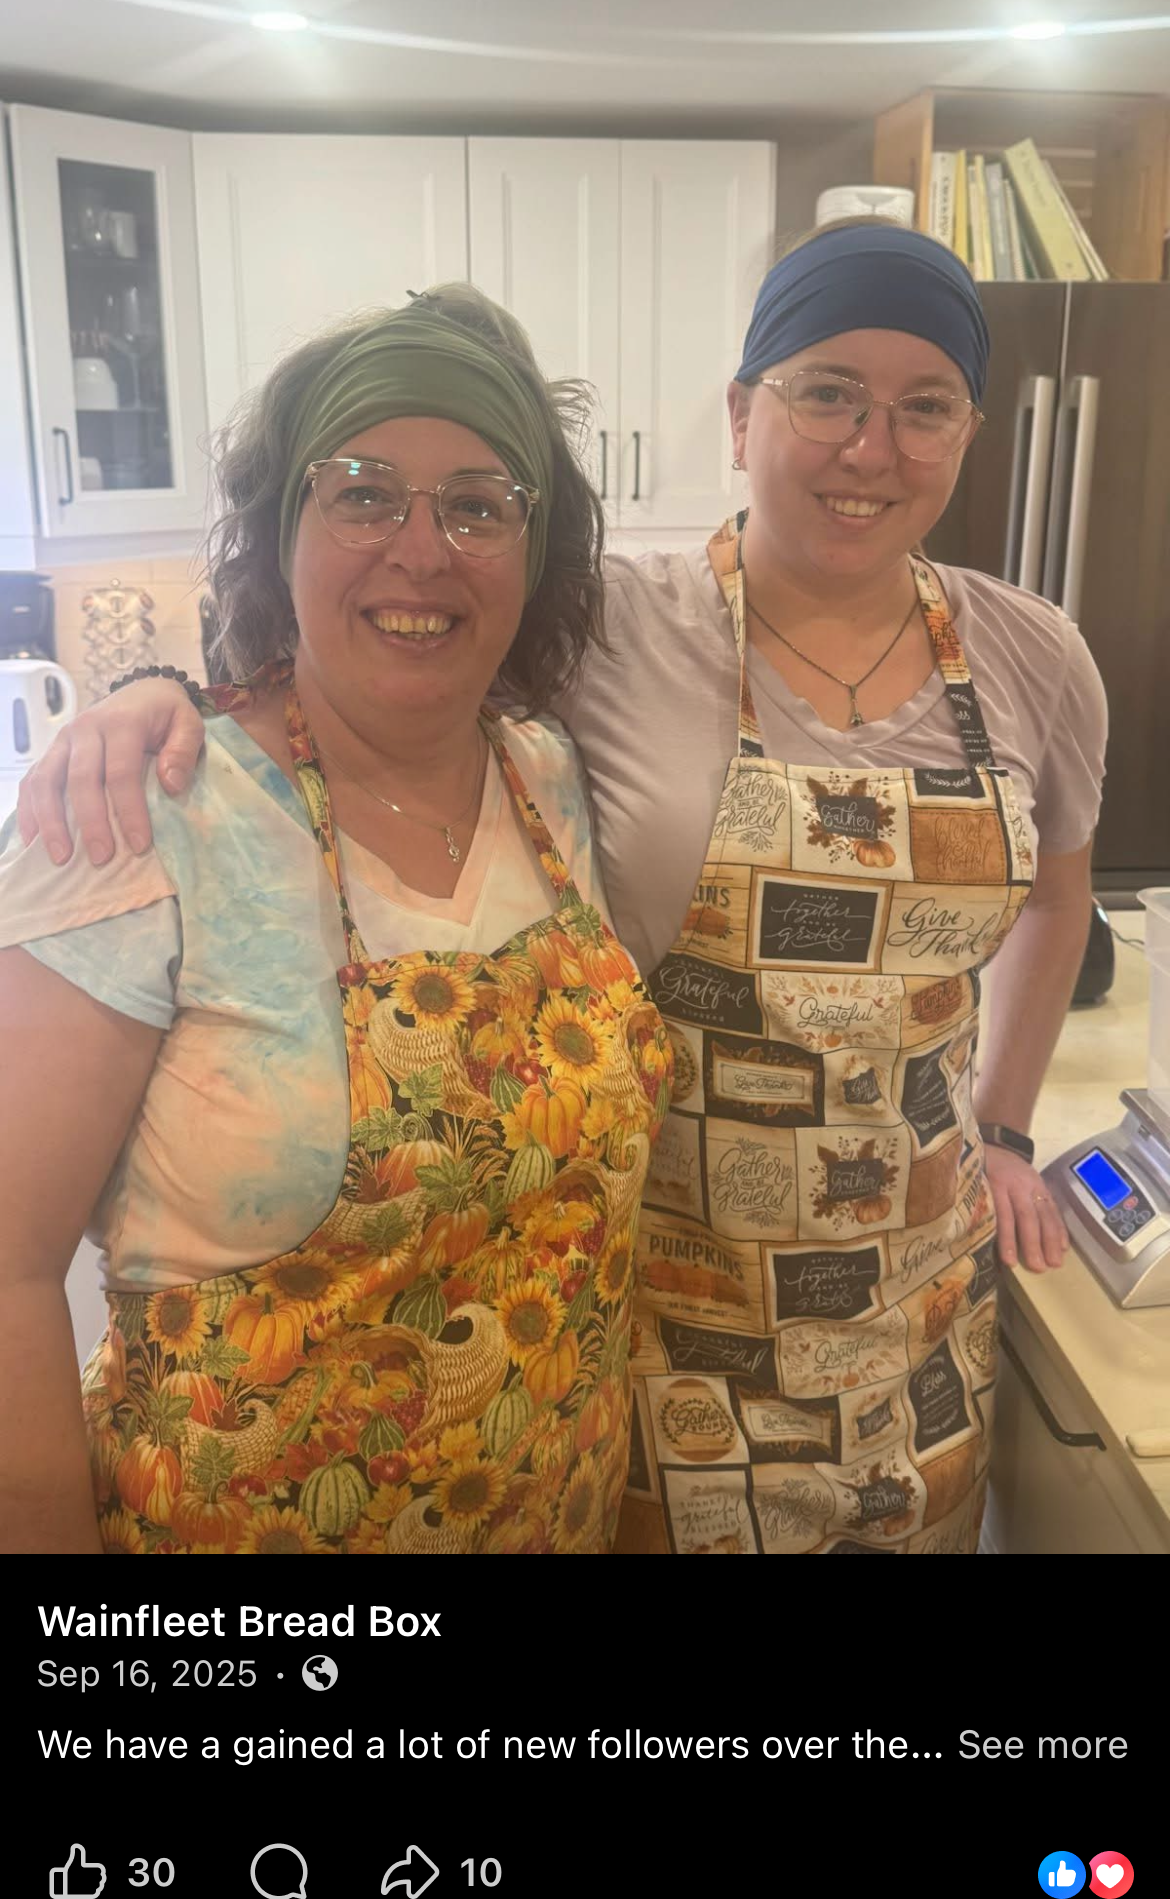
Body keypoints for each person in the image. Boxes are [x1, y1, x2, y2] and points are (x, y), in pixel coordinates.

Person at [16, 223, 1108, 1557]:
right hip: (668, 1363)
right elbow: (358, 663)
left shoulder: (1024, 657)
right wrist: (151, 696)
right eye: (827, 391)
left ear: (968, 430)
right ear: (740, 414)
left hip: (902, 1332)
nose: (869, 446)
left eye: (924, 405)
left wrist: (1003, 1126)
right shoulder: (616, 632)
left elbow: (1060, 895)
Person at [0, 286, 672, 1556]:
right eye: (362, 493)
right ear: (280, 533)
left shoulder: (551, 777)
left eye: (478, 504)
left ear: (533, 554)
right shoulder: (143, 819)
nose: (421, 549)